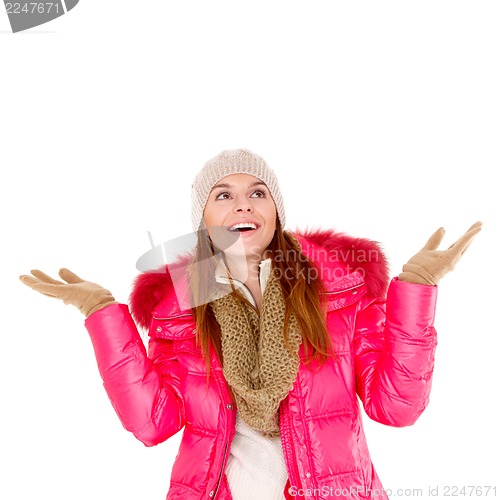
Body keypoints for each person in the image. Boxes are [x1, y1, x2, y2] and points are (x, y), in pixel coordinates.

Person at [20, 148, 482, 500]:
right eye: (224, 196)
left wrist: (416, 290)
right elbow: (152, 423)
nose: (244, 207)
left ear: (276, 211)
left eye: (257, 194)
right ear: (204, 220)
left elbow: (397, 407)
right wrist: (104, 315)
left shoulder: (338, 288)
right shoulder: (179, 307)